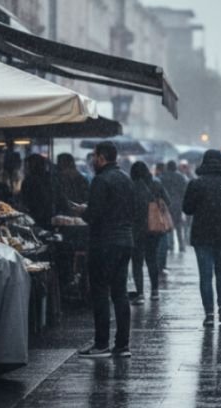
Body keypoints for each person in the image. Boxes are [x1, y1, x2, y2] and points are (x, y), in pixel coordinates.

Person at [74, 140, 135, 358]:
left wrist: (83, 210)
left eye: (94, 156)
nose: (92, 160)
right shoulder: (126, 179)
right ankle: (122, 345)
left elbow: (94, 215)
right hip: (125, 241)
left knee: (100, 292)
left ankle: (101, 344)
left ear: (101, 158)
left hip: (104, 243)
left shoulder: (100, 180)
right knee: (120, 293)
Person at [182, 149, 221, 326]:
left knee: (205, 275)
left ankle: (209, 313)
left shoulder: (196, 184)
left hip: (202, 234)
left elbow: (187, 209)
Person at [129, 161, 170, 303]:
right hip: (154, 228)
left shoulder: (131, 186)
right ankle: (155, 291)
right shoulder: (156, 184)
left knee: (137, 262)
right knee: (152, 259)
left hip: (136, 229)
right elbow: (168, 201)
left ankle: (140, 294)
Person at [160, 160, 189, 253]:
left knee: (168, 224)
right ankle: (181, 245)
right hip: (178, 204)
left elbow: (160, 191)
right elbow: (184, 191)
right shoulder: (181, 177)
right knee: (178, 225)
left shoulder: (163, 177)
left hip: (166, 204)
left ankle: (170, 245)